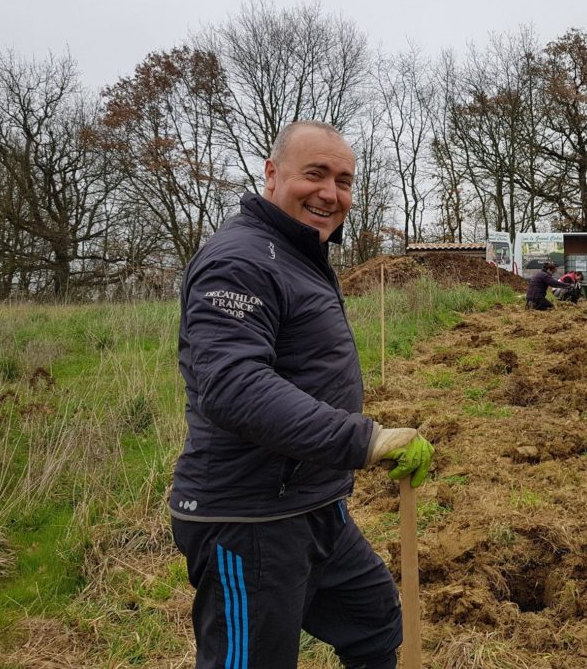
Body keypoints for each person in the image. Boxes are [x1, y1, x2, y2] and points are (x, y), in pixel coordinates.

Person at [169, 121, 434, 669]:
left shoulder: (296, 256)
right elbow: (234, 387)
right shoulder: (239, 261)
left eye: (343, 180)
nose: (330, 193)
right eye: (314, 174)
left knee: (375, 620)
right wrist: (365, 439)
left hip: (314, 504)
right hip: (251, 518)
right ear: (272, 174)